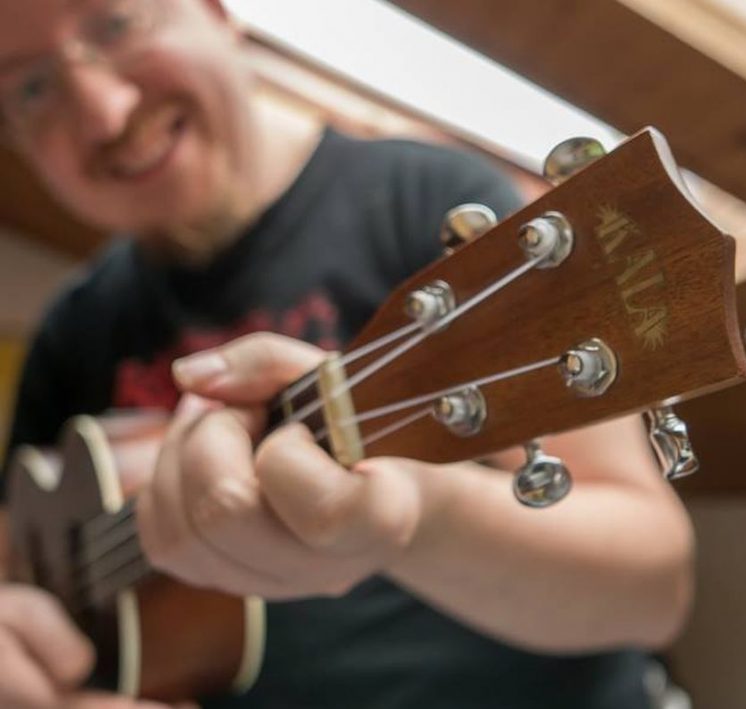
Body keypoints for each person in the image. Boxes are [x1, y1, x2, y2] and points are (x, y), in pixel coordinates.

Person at [0, 0, 694, 707]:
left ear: (216, 12)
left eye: (116, 25)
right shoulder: (71, 331)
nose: (105, 113)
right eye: (30, 86)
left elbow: (652, 591)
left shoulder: (436, 206)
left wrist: (415, 520)